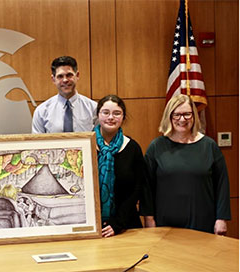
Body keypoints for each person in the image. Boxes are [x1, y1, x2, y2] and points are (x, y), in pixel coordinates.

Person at [145, 94, 231, 235]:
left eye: (187, 114)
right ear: (169, 116)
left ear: (194, 116)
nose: (182, 119)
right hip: (165, 226)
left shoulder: (209, 146)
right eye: (177, 115)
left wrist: (221, 219)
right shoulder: (156, 147)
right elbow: (146, 187)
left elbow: (222, 184)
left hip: (203, 223)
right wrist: (149, 218)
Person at [93, 95, 154, 238]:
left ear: (123, 117)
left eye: (117, 113)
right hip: (93, 226)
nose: (111, 117)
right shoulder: (85, 146)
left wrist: (117, 223)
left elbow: (137, 190)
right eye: (105, 112)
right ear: (98, 115)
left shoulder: (132, 148)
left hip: (126, 226)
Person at [32, 56, 97, 133]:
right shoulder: (41, 111)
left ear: (77, 75)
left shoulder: (93, 108)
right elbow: (37, 143)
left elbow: (100, 140)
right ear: (53, 79)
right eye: (60, 76)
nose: (65, 80)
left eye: (69, 75)